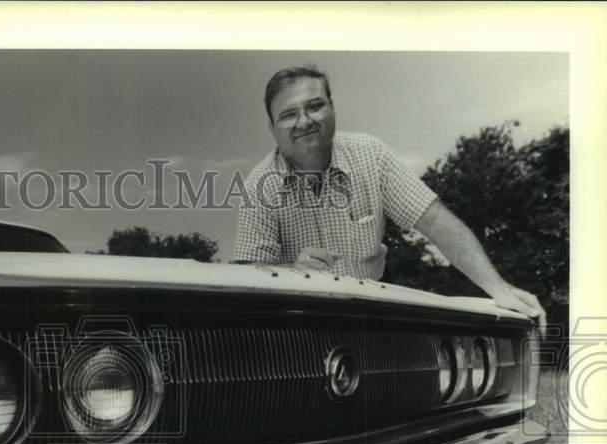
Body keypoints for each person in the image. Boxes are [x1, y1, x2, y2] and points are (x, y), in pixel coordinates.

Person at [233, 65, 546, 335]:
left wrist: (499, 288)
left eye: (314, 106)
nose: (304, 121)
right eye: (288, 114)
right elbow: (248, 276)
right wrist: (290, 270)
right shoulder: (259, 184)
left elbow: (435, 221)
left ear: (332, 109)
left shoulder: (371, 155)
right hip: (299, 324)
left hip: (374, 317)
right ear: (272, 128)